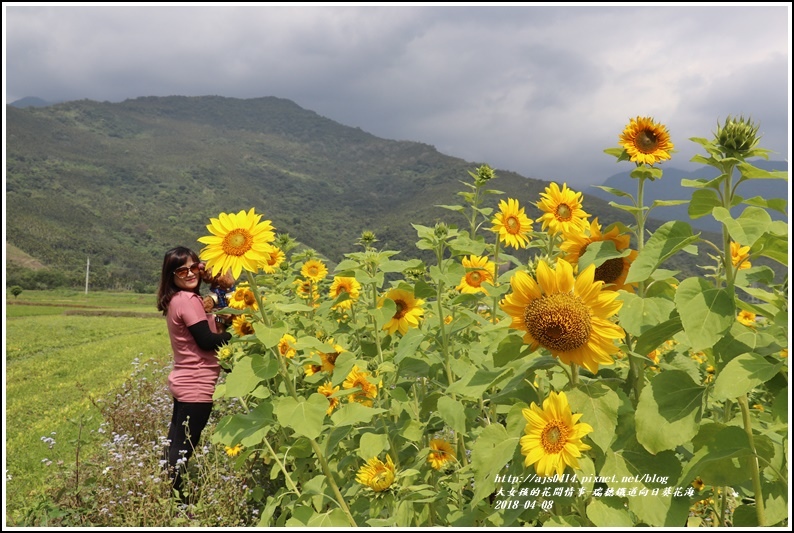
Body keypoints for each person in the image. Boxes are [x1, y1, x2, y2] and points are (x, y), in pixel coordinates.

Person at [156, 246, 232, 500]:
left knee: (175, 444)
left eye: (194, 267)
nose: (190, 273)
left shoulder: (180, 300)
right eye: (182, 270)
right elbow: (208, 341)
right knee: (183, 449)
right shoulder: (187, 300)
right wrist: (241, 332)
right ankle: (179, 503)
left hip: (185, 381)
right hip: (196, 384)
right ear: (171, 275)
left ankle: (166, 494)